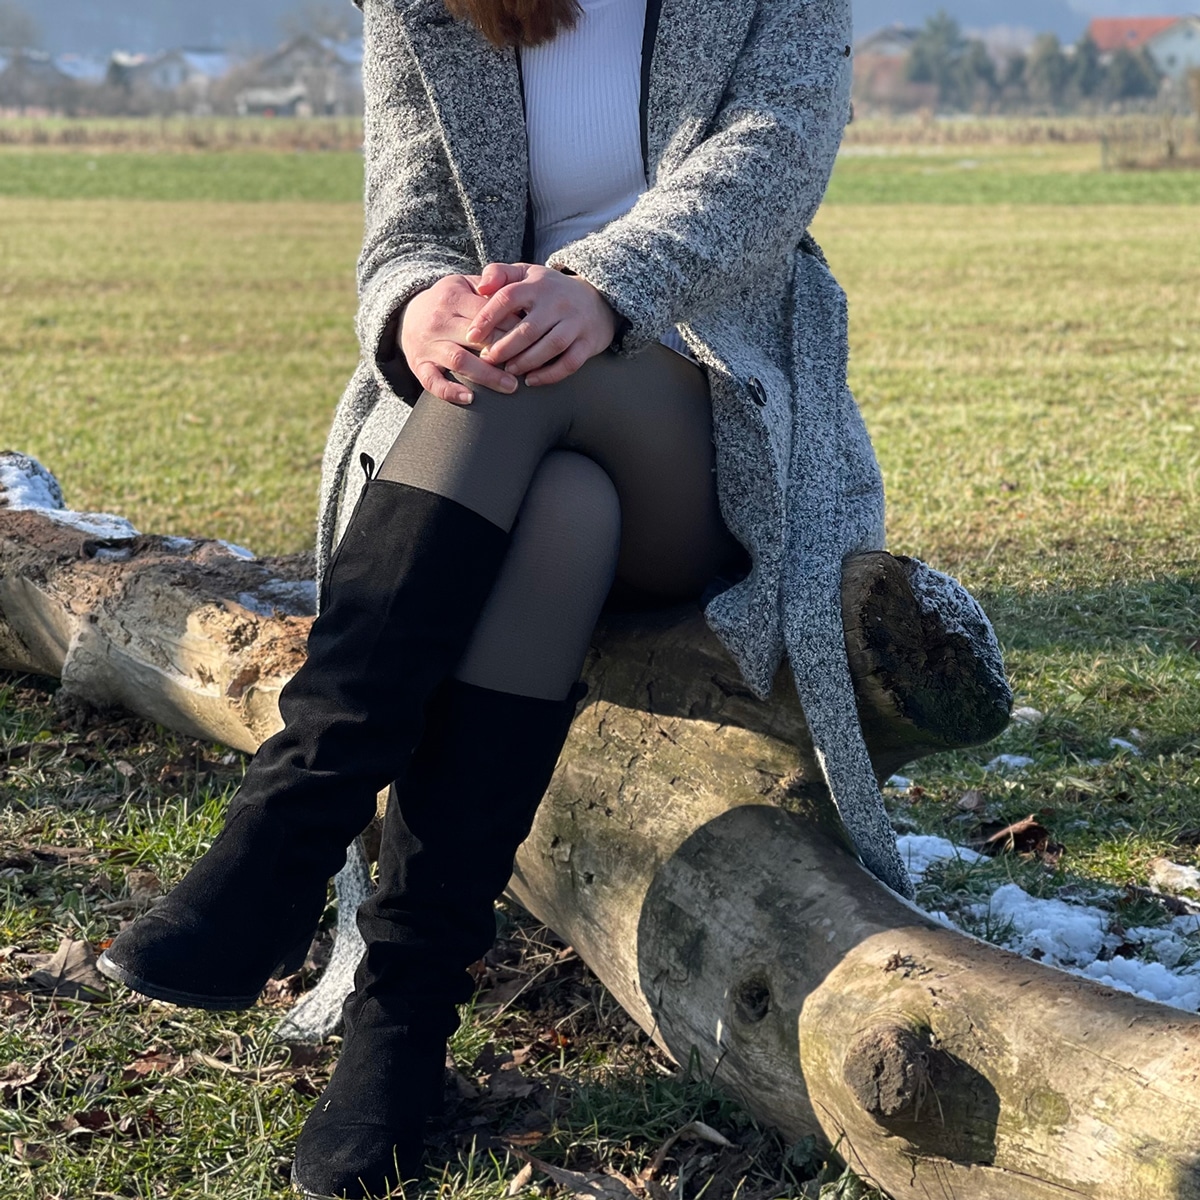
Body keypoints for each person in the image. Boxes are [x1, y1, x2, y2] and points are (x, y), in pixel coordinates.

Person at [98, 0, 913, 1195]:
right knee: (560, 507)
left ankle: (290, 821)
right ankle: (402, 1027)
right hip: (498, 461)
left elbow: (774, 156)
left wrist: (599, 286)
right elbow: (410, 224)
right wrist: (417, 306)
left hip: (708, 416)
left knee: (523, 370)